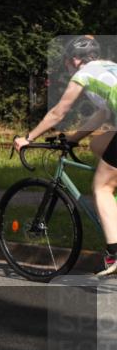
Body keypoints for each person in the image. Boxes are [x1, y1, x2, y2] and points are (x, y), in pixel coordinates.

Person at [14, 35, 117, 276]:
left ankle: (114, 254)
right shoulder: (110, 68)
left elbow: (58, 112)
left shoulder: (83, 75)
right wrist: (72, 139)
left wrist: (28, 138)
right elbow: (102, 115)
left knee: (101, 188)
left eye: (67, 63)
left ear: (74, 60)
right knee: (98, 143)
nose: (68, 68)